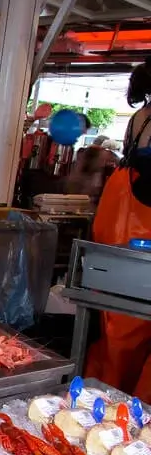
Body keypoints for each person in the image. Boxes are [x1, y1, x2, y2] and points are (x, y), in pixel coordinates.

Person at [86, 56, 151, 399]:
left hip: (118, 218)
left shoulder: (139, 117)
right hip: (136, 226)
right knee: (127, 327)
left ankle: (106, 394)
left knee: (115, 325)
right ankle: (124, 406)